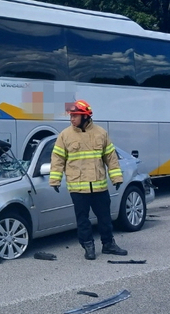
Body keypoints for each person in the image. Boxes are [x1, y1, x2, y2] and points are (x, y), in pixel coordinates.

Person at [49, 100, 127, 260]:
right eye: (71, 116)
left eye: (75, 115)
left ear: (85, 116)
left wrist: (116, 177)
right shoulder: (65, 135)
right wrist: (55, 180)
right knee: (82, 220)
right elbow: (57, 159)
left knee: (105, 218)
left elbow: (111, 158)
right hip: (78, 188)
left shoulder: (101, 133)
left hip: (99, 187)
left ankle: (108, 244)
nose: (71, 119)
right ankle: (88, 246)